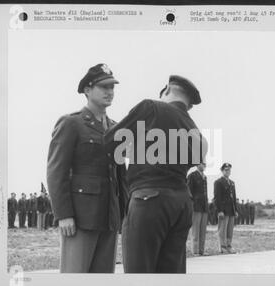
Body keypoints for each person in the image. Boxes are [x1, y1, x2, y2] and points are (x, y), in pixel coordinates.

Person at [104, 75, 208, 273]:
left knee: (139, 278)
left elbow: (111, 142)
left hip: (148, 199)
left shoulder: (151, 108)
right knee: (170, 280)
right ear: (189, 105)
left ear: (167, 90)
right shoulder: (196, 132)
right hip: (181, 203)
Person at [47, 63, 128, 273]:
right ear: (87, 90)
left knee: (102, 285)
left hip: (109, 217)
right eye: (104, 87)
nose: (110, 92)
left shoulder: (115, 128)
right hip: (80, 219)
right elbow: (56, 172)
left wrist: (124, 214)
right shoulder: (71, 123)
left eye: (112, 88)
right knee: (75, 283)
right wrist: (63, 214)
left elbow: (121, 176)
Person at [214, 163, 238, 254]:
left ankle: (229, 246)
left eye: (229, 170)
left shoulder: (232, 183)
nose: (228, 171)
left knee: (229, 230)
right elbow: (217, 198)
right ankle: (222, 247)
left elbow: (234, 198)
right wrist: (219, 210)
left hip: (231, 210)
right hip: (223, 210)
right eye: (226, 170)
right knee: (222, 229)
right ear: (222, 171)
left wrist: (235, 210)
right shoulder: (218, 182)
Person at [187, 163, 208, 256]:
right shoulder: (192, 176)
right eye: (201, 164)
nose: (203, 165)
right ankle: (195, 251)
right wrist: (192, 203)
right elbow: (188, 190)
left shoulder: (205, 177)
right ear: (197, 165)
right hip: (196, 206)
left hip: (204, 206)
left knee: (203, 230)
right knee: (195, 230)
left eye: (204, 164)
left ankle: (201, 250)